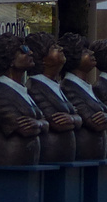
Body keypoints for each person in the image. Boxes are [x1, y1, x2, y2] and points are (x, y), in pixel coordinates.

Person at [0, 32, 48, 166]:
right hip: (8, 165)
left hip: (27, 166)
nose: (30, 53)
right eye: (23, 50)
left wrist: (40, 123)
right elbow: (25, 128)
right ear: (9, 59)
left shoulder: (23, 90)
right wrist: (42, 124)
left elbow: (43, 123)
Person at [23, 32, 81, 163]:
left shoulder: (58, 86)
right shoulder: (34, 88)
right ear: (42, 58)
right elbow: (57, 123)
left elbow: (77, 118)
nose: (60, 49)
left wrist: (73, 118)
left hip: (63, 160)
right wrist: (75, 119)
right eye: (53, 48)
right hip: (49, 158)